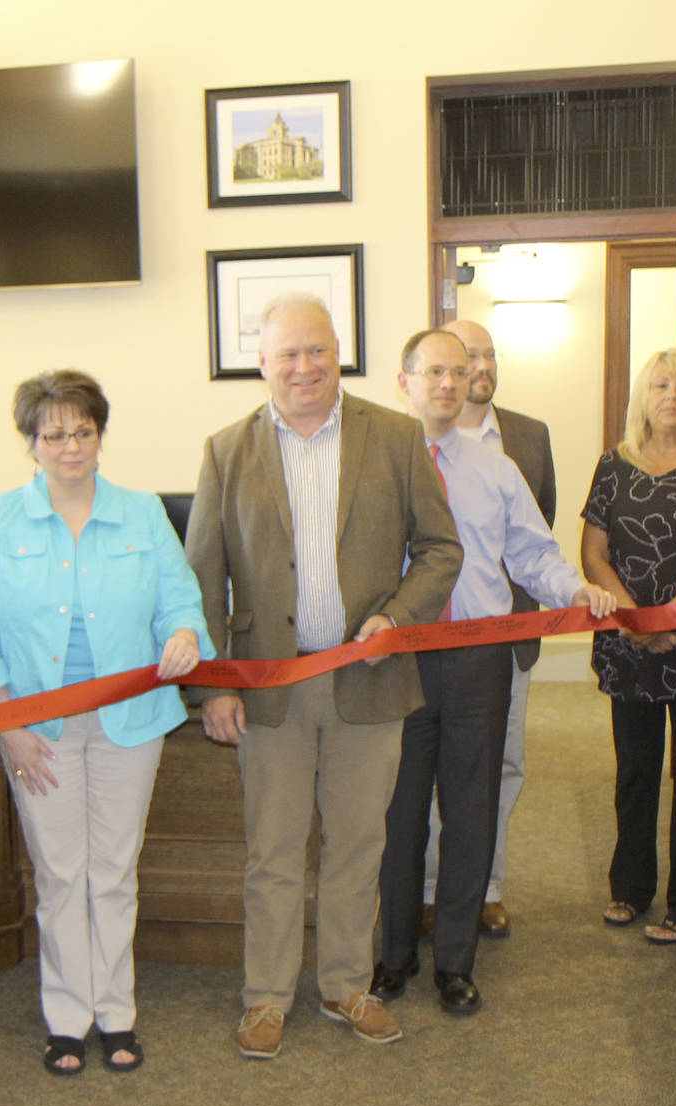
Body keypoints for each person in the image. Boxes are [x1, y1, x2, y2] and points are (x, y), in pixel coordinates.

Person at [186, 294, 463, 1060]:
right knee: (272, 850)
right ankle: (266, 997)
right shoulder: (224, 451)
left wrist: (397, 617)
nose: (304, 367)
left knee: (357, 843)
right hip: (270, 687)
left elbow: (441, 549)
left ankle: (346, 986)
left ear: (338, 352)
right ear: (262, 363)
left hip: (368, 680)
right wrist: (214, 687)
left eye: (318, 351)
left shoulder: (397, 437)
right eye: (287, 354)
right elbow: (203, 581)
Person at [0, 370, 212, 1076]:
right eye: (54, 434)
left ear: (100, 433)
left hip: (131, 721)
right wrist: (6, 718)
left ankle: (117, 1012)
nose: (70, 446)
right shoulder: (0, 518)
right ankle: (67, 1017)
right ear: (31, 443)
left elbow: (179, 598)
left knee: (113, 870)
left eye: (83, 431)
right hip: (38, 729)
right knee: (61, 871)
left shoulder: (140, 512)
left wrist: (185, 635)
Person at [373, 329, 612, 1018]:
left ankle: (454, 960)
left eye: (460, 370)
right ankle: (393, 956)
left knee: (472, 809)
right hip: (403, 659)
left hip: (480, 660)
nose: (449, 383)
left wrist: (573, 591)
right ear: (404, 380)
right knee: (400, 810)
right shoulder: (376, 464)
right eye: (434, 372)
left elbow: (533, 553)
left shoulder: (496, 467)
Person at [579, 350, 676, 945]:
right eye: (661, 384)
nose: (673, 394)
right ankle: (630, 888)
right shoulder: (614, 466)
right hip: (629, 643)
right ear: (643, 395)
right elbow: (593, 553)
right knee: (635, 773)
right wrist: (637, 622)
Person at [446, 319, 556, 940]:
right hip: (432, 643)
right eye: (468, 356)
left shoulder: (530, 437)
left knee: (503, 762)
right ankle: (434, 889)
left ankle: (486, 886)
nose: (481, 366)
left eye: (489, 355)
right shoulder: (409, 438)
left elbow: (540, 527)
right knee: (434, 769)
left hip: (508, 638)